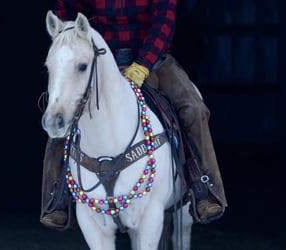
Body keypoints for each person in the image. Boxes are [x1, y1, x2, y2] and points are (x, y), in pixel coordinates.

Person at [40, 0, 227, 229]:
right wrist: (68, 34)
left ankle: (203, 187)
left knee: (192, 108)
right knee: (63, 113)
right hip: (98, 62)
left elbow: (163, 23)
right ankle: (57, 196)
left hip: (154, 61)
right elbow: (65, 8)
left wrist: (142, 64)